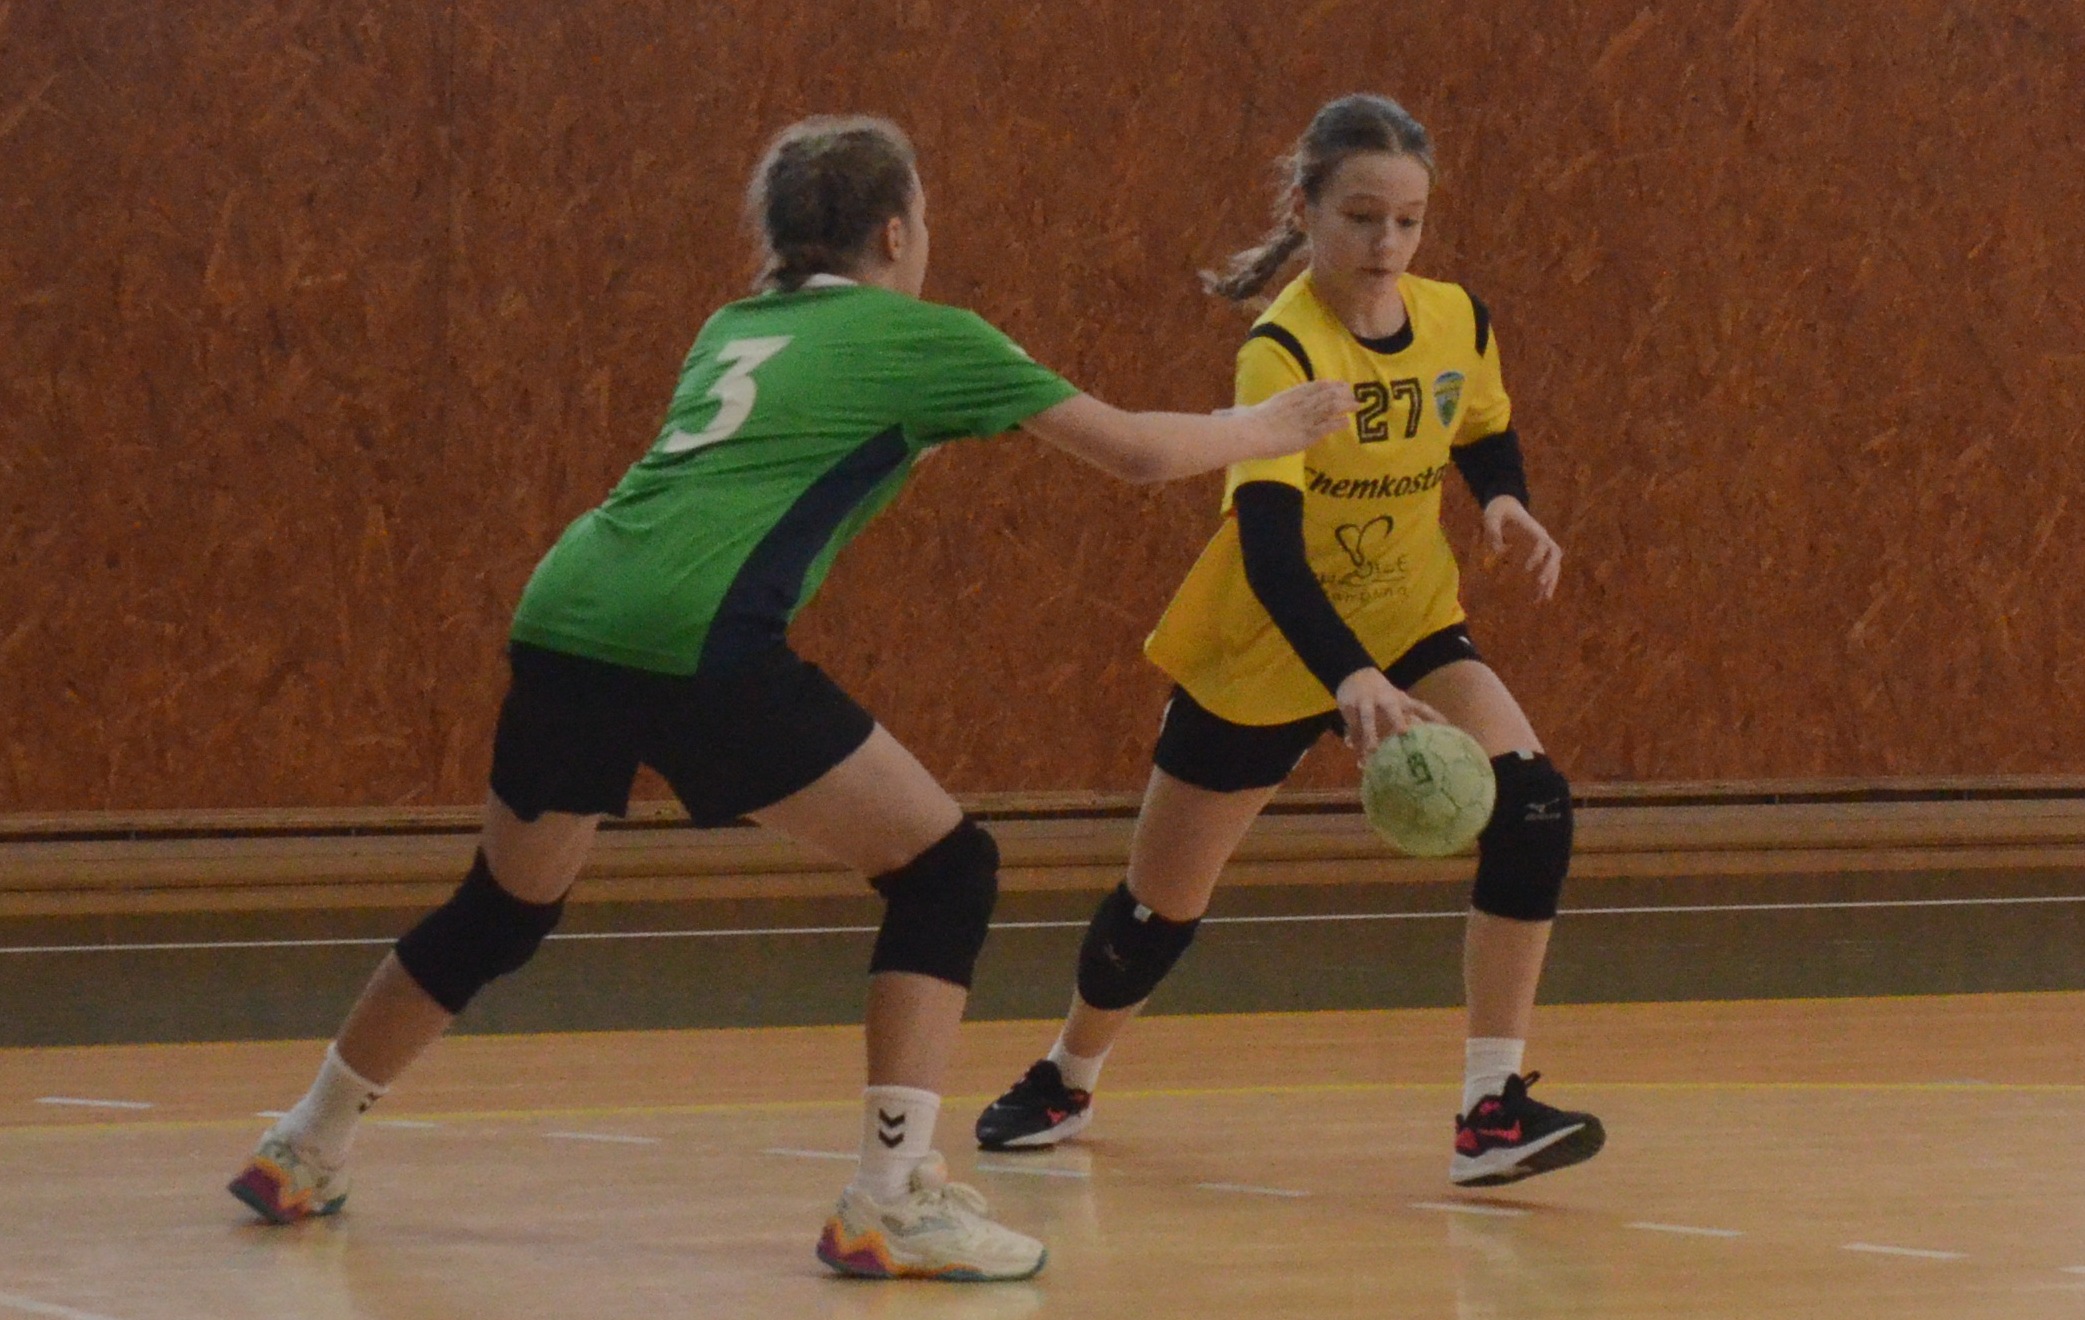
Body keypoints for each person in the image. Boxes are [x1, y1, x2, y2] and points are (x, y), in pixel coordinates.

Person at [225, 114, 1356, 1282]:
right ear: (896, 232)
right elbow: (1134, 452)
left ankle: (303, 1144)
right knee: (946, 870)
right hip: (692, 632)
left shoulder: (736, 326)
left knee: (502, 908)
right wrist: (1271, 426)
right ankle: (889, 1199)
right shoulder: (924, 335)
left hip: (567, 613)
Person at [974, 93, 1604, 1189]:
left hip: (1408, 620)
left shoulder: (1457, 319)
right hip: (1265, 648)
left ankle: (1490, 1110)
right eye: (1361, 218)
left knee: (1534, 806)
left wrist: (1503, 500)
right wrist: (1345, 674)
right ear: (1305, 209)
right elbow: (1268, 548)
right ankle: (1067, 1071)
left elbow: (1483, 426)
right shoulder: (1284, 351)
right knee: (1157, 910)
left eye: (1407, 221)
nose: (1387, 244)